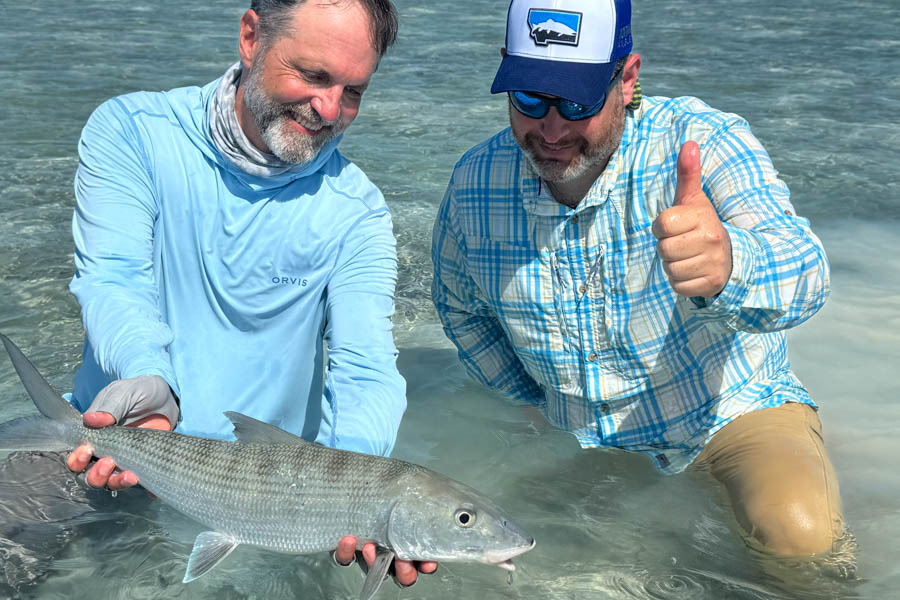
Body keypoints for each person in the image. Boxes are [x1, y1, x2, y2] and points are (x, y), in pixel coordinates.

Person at [431, 0, 845, 558]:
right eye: (530, 98)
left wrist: (730, 266)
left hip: (728, 418)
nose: (551, 128)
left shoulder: (702, 142)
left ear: (626, 79)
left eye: (577, 101)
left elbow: (808, 272)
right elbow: (463, 311)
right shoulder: (473, 185)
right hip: (580, 440)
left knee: (801, 543)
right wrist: (533, 403)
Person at [59, 0, 433, 586]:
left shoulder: (356, 212)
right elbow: (114, 279)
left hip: (275, 505)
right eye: (312, 75)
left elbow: (366, 369)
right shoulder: (132, 132)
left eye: (353, 89)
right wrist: (152, 384)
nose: (330, 109)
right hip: (118, 442)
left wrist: (365, 499)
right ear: (251, 36)